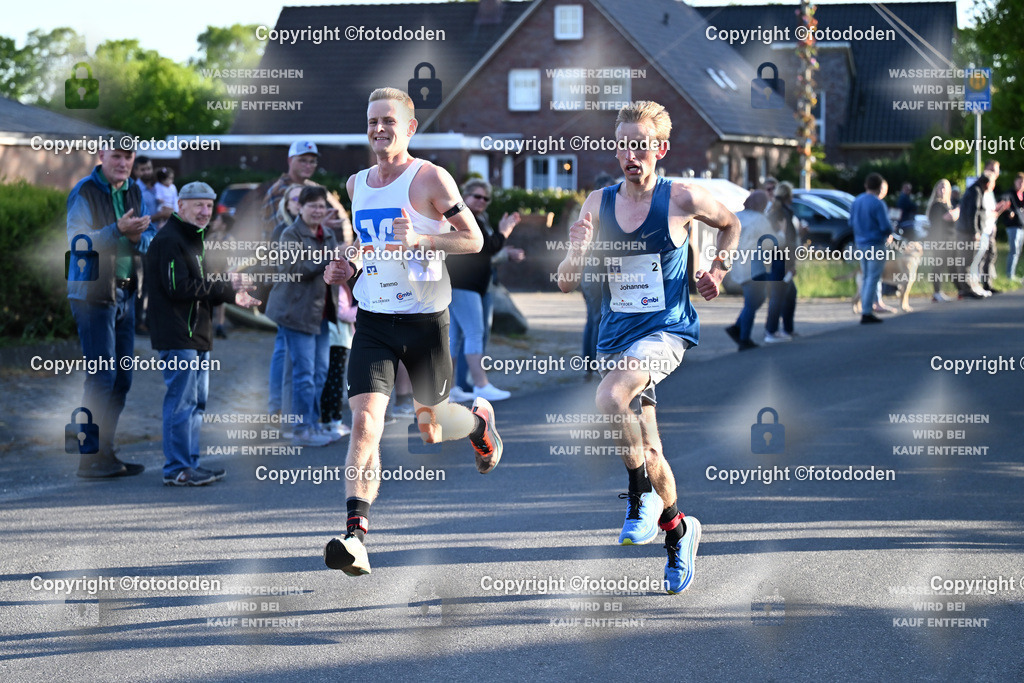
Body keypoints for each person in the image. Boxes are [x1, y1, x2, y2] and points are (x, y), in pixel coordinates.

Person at [556, 100, 740, 594]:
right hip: (617, 336)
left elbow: (731, 224)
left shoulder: (680, 197)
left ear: (660, 149)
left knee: (609, 398)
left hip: (665, 331)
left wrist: (718, 270)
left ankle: (639, 499)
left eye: (641, 145)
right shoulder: (597, 202)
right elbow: (565, 283)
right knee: (652, 451)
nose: (631, 155)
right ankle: (680, 530)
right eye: (623, 145)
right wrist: (576, 249)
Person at [321, 86, 504, 577]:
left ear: (410, 127)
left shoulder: (430, 178)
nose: (379, 129)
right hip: (374, 319)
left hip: (425, 321)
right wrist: (347, 264)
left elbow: (474, 238)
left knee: (432, 425)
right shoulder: (358, 182)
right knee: (365, 424)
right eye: (372, 121)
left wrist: (423, 237)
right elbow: (364, 240)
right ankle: (355, 536)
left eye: (388, 121)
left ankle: (480, 423)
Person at [144, 182, 261, 485]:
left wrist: (233, 294)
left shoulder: (197, 239)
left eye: (209, 206)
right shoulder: (170, 240)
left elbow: (207, 286)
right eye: (197, 205)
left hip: (199, 335)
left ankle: (190, 464)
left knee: (196, 404)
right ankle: (177, 469)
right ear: (180, 206)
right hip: (177, 335)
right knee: (181, 404)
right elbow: (178, 288)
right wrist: (223, 287)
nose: (204, 211)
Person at [66, 145, 155, 478]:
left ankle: (105, 454)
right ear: (101, 157)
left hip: (126, 293)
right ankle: (88, 458)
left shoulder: (134, 190)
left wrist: (135, 237)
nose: (123, 162)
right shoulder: (84, 192)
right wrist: (117, 231)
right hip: (92, 294)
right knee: (101, 378)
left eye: (128, 157)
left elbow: (147, 239)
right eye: (116, 156)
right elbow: (77, 244)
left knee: (122, 380)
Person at [265, 186, 343, 447]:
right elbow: (292, 268)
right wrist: (328, 258)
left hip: (321, 312)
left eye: (322, 206)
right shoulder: (290, 233)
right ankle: (301, 429)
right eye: (313, 206)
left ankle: (313, 424)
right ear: (301, 207)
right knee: (304, 373)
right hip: (294, 312)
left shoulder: (329, 233)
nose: (318, 210)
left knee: (320, 372)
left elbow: (334, 268)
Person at [446, 178, 520, 403]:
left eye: (486, 198)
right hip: (462, 284)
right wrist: (504, 232)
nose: (482, 201)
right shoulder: (462, 219)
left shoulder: (478, 218)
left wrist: (501, 238)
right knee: (474, 333)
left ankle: (448, 390)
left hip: (470, 285)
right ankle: (480, 385)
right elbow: (486, 247)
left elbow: (488, 248)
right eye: (477, 196)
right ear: (465, 196)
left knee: (454, 338)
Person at [262, 140, 353, 245]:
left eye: (312, 161)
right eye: (303, 160)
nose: (308, 165)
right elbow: (282, 236)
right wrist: (319, 227)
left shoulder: (313, 188)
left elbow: (339, 218)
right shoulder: (278, 192)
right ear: (290, 160)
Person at [724, 190, 773, 350]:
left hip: (738, 263)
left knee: (756, 298)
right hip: (755, 266)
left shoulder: (737, 216)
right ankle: (743, 338)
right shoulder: (761, 220)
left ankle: (737, 327)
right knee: (753, 302)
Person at [849, 173, 892, 323]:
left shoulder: (857, 201)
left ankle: (866, 307)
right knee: (873, 278)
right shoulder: (877, 203)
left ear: (866, 185)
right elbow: (886, 226)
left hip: (861, 244)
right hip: (876, 244)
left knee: (867, 276)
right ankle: (867, 310)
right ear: (880, 187)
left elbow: (851, 222)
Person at [320, 276, 358, 437]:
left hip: (332, 336)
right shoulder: (338, 286)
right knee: (335, 379)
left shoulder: (332, 284)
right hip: (338, 338)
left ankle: (327, 419)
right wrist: (362, 308)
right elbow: (343, 313)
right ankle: (334, 420)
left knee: (328, 378)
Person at [763, 181, 799, 342]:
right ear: (787, 196)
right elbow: (785, 241)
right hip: (780, 260)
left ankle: (787, 329)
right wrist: (790, 265)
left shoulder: (776, 212)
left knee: (790, 293)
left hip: (777, 259)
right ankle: (771, 331)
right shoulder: (782, 214)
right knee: (778, 295)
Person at [956, 172, 995, 299]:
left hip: (966, 231)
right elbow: (972, 213)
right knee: (967, 261)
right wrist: (975, 231)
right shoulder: (976, 192)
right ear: (987, 183)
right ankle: (966, 289)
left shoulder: (974, 190)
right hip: (967, 233)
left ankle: (967, 287)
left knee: (968, 260)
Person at [978, 160, 1011, 293]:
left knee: (991, 254)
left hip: (990, 227)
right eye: (993, 169)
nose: (996, 172)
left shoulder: (990, 188)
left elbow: (991, 211)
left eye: (996, 170)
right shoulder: (981, 186)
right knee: (981, 257)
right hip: (983, 228)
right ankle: (978, 285)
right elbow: (981, 210)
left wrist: (999, 209)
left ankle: (987, 284)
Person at [925, 179, 959, 302]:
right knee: (938, 266)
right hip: (940, 240)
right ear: (936, 190)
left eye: (945, 187)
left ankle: (961, 290)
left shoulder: (948, 205)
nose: (943, 190)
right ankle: (937, 293)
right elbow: (948, 217)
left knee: (952, 266)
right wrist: (959, 210)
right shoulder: (937, 205)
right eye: (940, 187)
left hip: (951, 239)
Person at [1002, 172, 1024, 281]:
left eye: (1023, 182)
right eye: (1019, 182)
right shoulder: (1010, 194)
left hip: (1021, 227)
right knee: (1014, 251)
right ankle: (1009, 275)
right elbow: (1003, 202)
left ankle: (1013, 274)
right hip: (1013, 226)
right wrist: (1010, 211)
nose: (1021, 184)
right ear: (1015, 182)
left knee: (1018, 251)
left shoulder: (1022, 196)